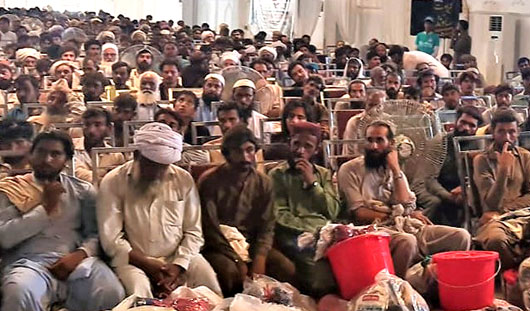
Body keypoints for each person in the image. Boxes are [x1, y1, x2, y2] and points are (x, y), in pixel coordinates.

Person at [0, 130, 124, 311]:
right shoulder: (10, 189)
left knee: (111, 291)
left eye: (55, 154)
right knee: (18, 294)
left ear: (67, 160)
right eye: (41, 152)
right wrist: (46, 208)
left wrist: (80, 254)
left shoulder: (82, 191)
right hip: (28, 264)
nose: (47, 159)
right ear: (30, 155)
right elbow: (6, 237)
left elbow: (96, 234)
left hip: (75, 261)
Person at [98, 122, 221, 297]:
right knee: (139, 292)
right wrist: (148, 264)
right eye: (151, 165)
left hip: (178, 258)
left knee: (209, 285)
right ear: (136, 155)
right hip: (132, 260)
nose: (158, 173)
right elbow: (111, 240)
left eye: (163, 166)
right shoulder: (113, 181)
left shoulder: (183, 179)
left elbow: (193, 232)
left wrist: (178, 265)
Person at [337, 120, 471, 276]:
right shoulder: (349, 169)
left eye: (379, 140)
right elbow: (359, 213)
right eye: (369, 140)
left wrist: (395, 169)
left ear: (391, 144)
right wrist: (399, 215)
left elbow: (405, 203)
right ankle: (399, 289)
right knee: (407, 241)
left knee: (461, 236)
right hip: (372, 230)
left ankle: (444, 283)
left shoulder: (394, 168)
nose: (373, 146)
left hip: (404, 224)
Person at [198, 126, 295, 294]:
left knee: (286, 268)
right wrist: (236, 259)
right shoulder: (210, 181)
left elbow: (267, 226)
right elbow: (210, 229)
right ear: (227, 154)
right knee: (230, 273)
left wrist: (260, 257)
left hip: (251, 243)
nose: (245, 157)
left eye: (249, 150)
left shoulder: (263, 182)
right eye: (238, 151)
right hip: (220, 246)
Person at [270, 121, 340, 298]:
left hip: (325, 234)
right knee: (322, 278)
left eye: (307, 146)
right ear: (289, 144)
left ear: (316, 150)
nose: (300, 151)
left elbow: (332, 210)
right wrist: (313, 230)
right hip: (294, 236)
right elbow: (280, 215)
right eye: (296, 144)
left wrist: (312, 183)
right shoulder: (277, 175)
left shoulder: (323, 174)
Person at [473, 110, 530, 270]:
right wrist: (503, 170)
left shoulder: (525, 156)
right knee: (497, 241)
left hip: (525, 214)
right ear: (493, 133)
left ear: (517, 133)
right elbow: (491, 203)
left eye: (511, 132)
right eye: (501, 132)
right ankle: (513, 273)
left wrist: (507, 208)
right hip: (496, 220)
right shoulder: (481, 160)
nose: (507, 137)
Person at [417, 105, 482, 226]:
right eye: (463, 122)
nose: (466, 128)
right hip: (433, 187)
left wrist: (466, 189)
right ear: (456, 121)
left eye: (472, 125)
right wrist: (449, 197)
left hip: (461, 190)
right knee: (435, 203)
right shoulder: (440, 142)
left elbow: (477, 176)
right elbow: (429, 179)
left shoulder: (478, 145)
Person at [0, 118, 34, 193]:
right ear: (0, 145)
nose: (13, 149)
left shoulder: (41, 167)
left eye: (19, 143)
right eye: (7, 144)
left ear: (31, 143)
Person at [74, 107, 126, 183]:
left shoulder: (116, 156)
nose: (91, 130)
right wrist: (104, 177)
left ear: (109, 128)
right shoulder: (70, 147)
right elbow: (76, 172)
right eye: (87, 124)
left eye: (97, 125)